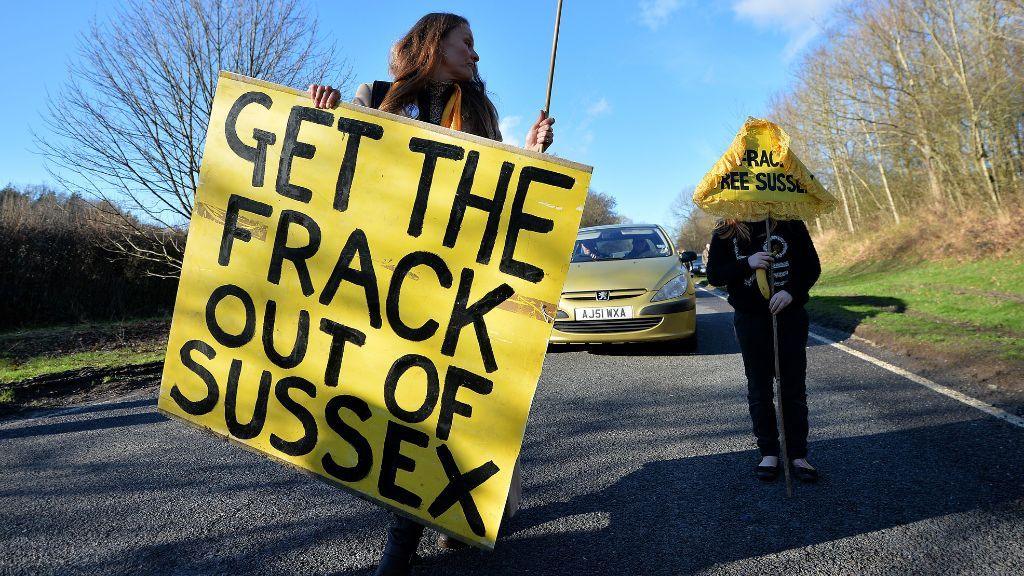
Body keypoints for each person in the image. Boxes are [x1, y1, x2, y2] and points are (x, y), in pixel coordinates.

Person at [308, 13, 553, 576]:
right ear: (434, 44)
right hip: (395, 282)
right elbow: (340, 171)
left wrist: (533, 157)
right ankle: (428, 523)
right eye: (467, 42)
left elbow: (497, 193)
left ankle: (420, 534)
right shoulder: (379, 97)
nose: (475, 54)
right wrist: (323, 112)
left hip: (457, 286)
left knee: (444, 406)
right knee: (408, 405)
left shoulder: (479, 112)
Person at [705, 219, 820, 484]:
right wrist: (747, 262)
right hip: (750, 320)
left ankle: (798, 454)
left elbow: (811, 267)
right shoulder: (726, 228)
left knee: (793, 387)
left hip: (790, 317)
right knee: (759, 387)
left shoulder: (790, 223)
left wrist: (791, 292)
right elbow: (714, 275)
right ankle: (768, 452)